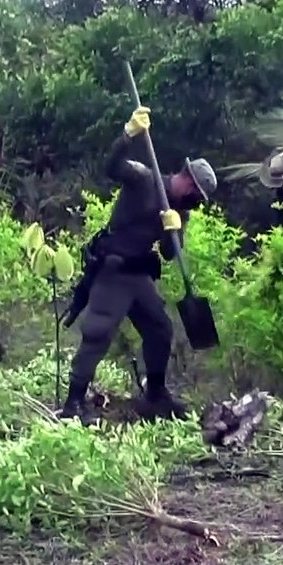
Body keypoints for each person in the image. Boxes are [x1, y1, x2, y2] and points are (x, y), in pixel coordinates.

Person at [59, 106, 217, 421]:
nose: (197, 202)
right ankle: (73, 404)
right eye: (197, 194)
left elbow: (171, 256)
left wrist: (175, 232)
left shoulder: (180, 211)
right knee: (99, 332)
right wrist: (127, 135)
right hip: (113, 269)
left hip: (139, 275)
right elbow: (111, 167)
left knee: (161, 328)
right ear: (187, 180)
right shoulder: (145, 179)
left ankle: (155, 396)